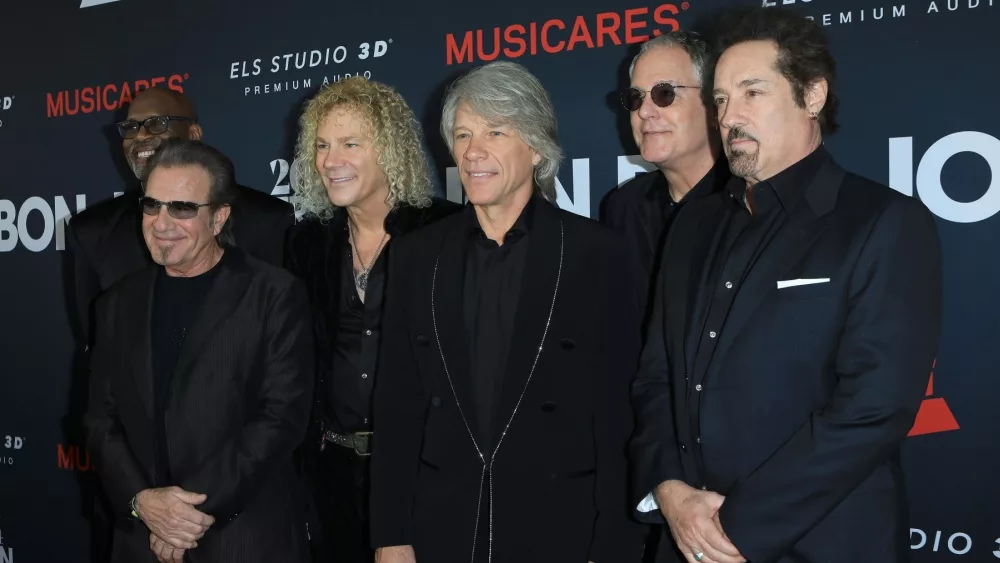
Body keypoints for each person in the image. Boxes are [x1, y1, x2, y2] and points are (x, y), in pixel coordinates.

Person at [630, 6, 943, 563]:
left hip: (820, 544)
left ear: (812, 95)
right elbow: (657, 375)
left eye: (752, 92)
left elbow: (874, 408)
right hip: (685, 542)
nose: (730, 116)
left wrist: (736, 528)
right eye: (721, 99)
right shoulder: (693, 224)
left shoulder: (882, 222)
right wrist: (670, 492)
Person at [369, 61, 644, 563]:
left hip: (559, 527)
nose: (473, 152)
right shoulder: (416, 256)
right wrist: (390, 535)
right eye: (463, 135)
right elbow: (397, 404)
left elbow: (617, 415)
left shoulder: (596, 254)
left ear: (537, 147)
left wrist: (613, 545)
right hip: (440, 526)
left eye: (495, 132)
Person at [83, 138, 314, 563]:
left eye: (182, 208)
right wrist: (142, 503)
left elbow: (281, 417)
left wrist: (185, 515)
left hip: (243, 538)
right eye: (152, 205)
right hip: (141, 540)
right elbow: (100, 420)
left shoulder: (273, 294)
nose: (161, 222)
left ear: (219, 217)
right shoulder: (116, 303)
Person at [284, 76, 461, 563]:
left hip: (426, 472)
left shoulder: (447, 232)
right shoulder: (307, 243)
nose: (330, 160)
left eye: (350, 143)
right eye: (322, 145)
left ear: (390, 149)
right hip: (332, 477)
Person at [67, 86, 294, 346]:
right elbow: (97, 345)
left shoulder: (268, 220)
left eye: (156, 124)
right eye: (130, 127)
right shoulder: (91, 231)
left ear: (193, 134)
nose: (140, 135)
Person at [602, 31, 730, 309]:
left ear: (713, 106)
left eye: (664, 94)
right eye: (636, 98)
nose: (644, 112)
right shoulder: (625, 207)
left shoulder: (750, 203)